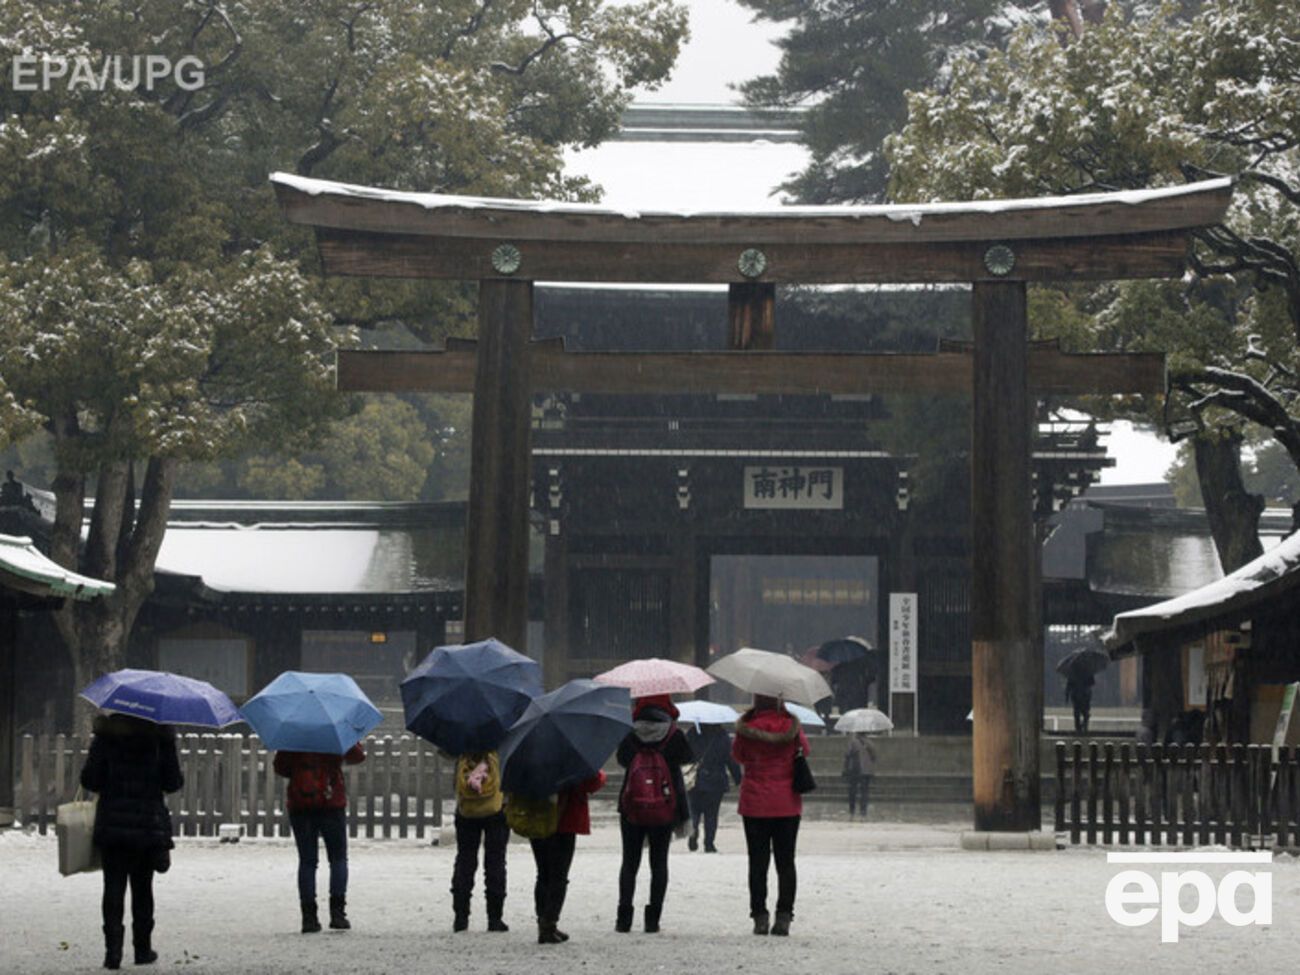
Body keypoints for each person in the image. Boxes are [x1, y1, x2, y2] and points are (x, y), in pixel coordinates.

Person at [79, 712, 183, 969]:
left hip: (113, 824)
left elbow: (90, 780)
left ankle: (112, 952)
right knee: (143, 888)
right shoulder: (160, 738)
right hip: (147, 825)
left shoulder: (106, 737)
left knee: (113, 887)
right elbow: (172, 783)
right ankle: (142, 948)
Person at [732, 693, 810, 937]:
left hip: (755, 803)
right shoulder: (792, 727)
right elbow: (804, 751)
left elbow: (738, 756)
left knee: (758, 862)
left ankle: (760, 916)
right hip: (786, 803)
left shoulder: (746, 729)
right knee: (786, 862)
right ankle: (784, 916)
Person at [614, 694, 692, 934]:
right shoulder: (674, 734)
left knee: (630, 861)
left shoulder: (630, 732)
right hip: (665, 805)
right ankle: (652, 918)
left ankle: (624, 918)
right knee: (659, 862)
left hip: (632, 805)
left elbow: (622, 759)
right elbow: (688, 758)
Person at [273, 742, 366, 934]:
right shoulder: (335, 732)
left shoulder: (294, 733)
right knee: (338, 859)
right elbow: (357, 756)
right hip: (332, 803)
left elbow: (280, 767)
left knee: (307, 861)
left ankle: (309, 917)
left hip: (301, 804)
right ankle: (338, 914)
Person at [531, 772, 606, 944]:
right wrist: (601, 775)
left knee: (543, 873)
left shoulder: (533, 755)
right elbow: (592, 783)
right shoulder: (572, 757)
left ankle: (544, 922)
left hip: (538, 817)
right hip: (564, 821)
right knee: (559, 876)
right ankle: (548, 924)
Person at [450, 749, 510, 932]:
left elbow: (445, 754)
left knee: (465, 861)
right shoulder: (501, 743)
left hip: (466, 811)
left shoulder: (461, 743)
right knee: (496, 862)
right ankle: (495, 918)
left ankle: (461, 917)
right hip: (496, 810)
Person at [685, 723, 741, 853]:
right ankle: (709, 844)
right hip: (716, 780)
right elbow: (731, 759)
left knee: (694, 810)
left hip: (695, 779)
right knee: (711, 814)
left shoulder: (692, 733)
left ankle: (693, 830)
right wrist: (738, 778)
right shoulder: (722, 735)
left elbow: (683, 754)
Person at [841, 732, 876, 819]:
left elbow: (847, 755)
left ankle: (852, 810)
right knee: (864, 792)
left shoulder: (853, 743)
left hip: (855, 769)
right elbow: (874, 757)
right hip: (867, 771)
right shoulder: (870, 743)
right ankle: (863, 811)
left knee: (852, 791)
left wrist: (845, 768)